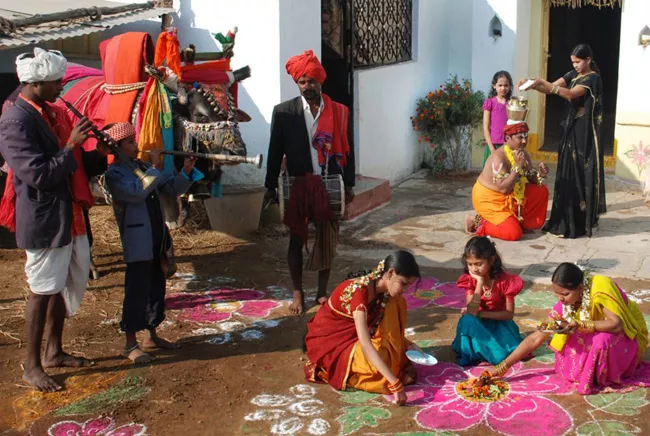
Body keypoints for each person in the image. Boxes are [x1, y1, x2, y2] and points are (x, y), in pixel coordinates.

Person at [0, 48, 108, 392]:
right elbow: (38, 174)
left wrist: (99, 154)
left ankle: (53, 350)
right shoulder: (15, 121)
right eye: (55, 82)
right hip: (44, 216)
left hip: (67, 212)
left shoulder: (51, 112)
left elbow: (75, 165)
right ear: (34, 83)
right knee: (41, 290)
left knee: (60, 285)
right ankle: (32, 366)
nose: (61, 86)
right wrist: (70, 144)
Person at [264, 50, 356, 315]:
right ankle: (297, 292)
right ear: (297, 83)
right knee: (296, 238)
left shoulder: (338, 111)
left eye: (312, 81)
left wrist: (348, 184)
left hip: (329, 182)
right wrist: (270, 187)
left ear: (321, 81)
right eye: (303, 82)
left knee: (327, 239)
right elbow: (274, 151)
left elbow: (348, 150)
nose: (308, 86)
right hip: (299, 183)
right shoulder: (283, 113)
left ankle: (321, 292)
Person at [104, 122, 202, 363]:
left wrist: (186, 172)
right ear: (116, 148)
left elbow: (171, 188)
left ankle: (151, 334)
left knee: (156, 287)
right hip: (137, 239)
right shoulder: (114, 174)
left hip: (157, 236)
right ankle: (130, 344)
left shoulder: (144, 167)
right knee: (137, 290)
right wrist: (155, 168)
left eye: (133, 140)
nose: (135, 145)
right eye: (129, 142)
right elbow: (138, 191)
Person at [487, 263, 649, 394]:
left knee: (601, 340)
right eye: (556, 294)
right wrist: (502, 367)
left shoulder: (600, 288)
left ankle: (608, 373)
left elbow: (616, 324)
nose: (560, 299)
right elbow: (536, 338)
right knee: (568, 334)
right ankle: (590, 370)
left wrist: (580, 325)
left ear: (580, 288)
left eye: (564, 294)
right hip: (601, 330)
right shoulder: (563, 306)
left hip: (626, 337)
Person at [304, 250, 421, 406]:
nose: (405, 289)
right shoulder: (360, 293)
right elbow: (366, 344)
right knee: (377, 364)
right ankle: (390, 369)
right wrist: (394, 383)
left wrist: (407, 343)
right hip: (334, 345)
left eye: (409, 285)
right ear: (390, 273)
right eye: (404, 283)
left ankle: (393, 363)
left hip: (359, 338)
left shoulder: (384, 292)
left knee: (397, 302)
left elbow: (382, 327)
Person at [519, 44, 605, 238]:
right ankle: (564, 217)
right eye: (573, 62)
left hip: (583, 132)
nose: (575, 65)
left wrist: (544, 82)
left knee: (580, 172)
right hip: (570, 129)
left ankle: (581, 219)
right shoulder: (572, 74)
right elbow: (550, 89)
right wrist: (532, 84)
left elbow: (569, 94)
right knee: (567, 168)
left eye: (578, 62)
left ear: (588, 60)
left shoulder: (592, 78)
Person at [465, 121, 550, 241]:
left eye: (526, 137)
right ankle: (477, 221)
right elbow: (504, 189)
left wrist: (541, 174)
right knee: (513, 233)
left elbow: (531, 177)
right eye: (520, 137)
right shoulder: (498, 158)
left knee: (540, 190)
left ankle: (520, 222)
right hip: (490, 199)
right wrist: (517, 167)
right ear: (508, 138)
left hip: (510, 196)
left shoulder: (522, 153)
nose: (524, 141)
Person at [452, 236, 524, 365]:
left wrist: (480, 314)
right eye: (470, 264)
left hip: (499, 324)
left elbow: (508, 314)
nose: (474, 269)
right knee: (467, 319)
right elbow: (471, 310)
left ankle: (487, 352)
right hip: (477, 324)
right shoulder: (469, 280)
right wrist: (479, 283)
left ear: (491, 260)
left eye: (479, 264)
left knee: (500, 357)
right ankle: (475, 354)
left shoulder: (507, 281)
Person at [482, 71, 512, 165]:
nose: (503, 88)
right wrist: (491, 148)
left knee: (506, 173)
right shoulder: (490, 103)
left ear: (510, 86)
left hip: (507, 145)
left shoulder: (512, 104)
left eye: (506, 85)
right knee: (491, 175)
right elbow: (486, 127)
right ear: (494, 86)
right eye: (500, 85)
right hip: (493, 145)